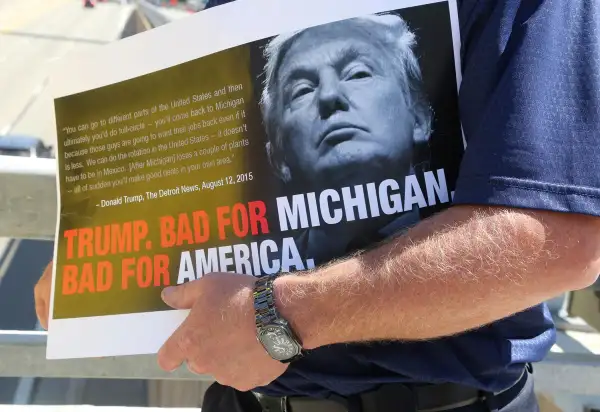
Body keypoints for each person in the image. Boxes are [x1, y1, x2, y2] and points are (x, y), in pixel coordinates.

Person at [34, 1, 600, 412]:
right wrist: (100, 270)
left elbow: (556, 238)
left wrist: (278, 318)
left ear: (421, 117)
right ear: (276, 150)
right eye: (301, 90)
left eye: (357, 72)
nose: (331, 98)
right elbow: (200, 202)